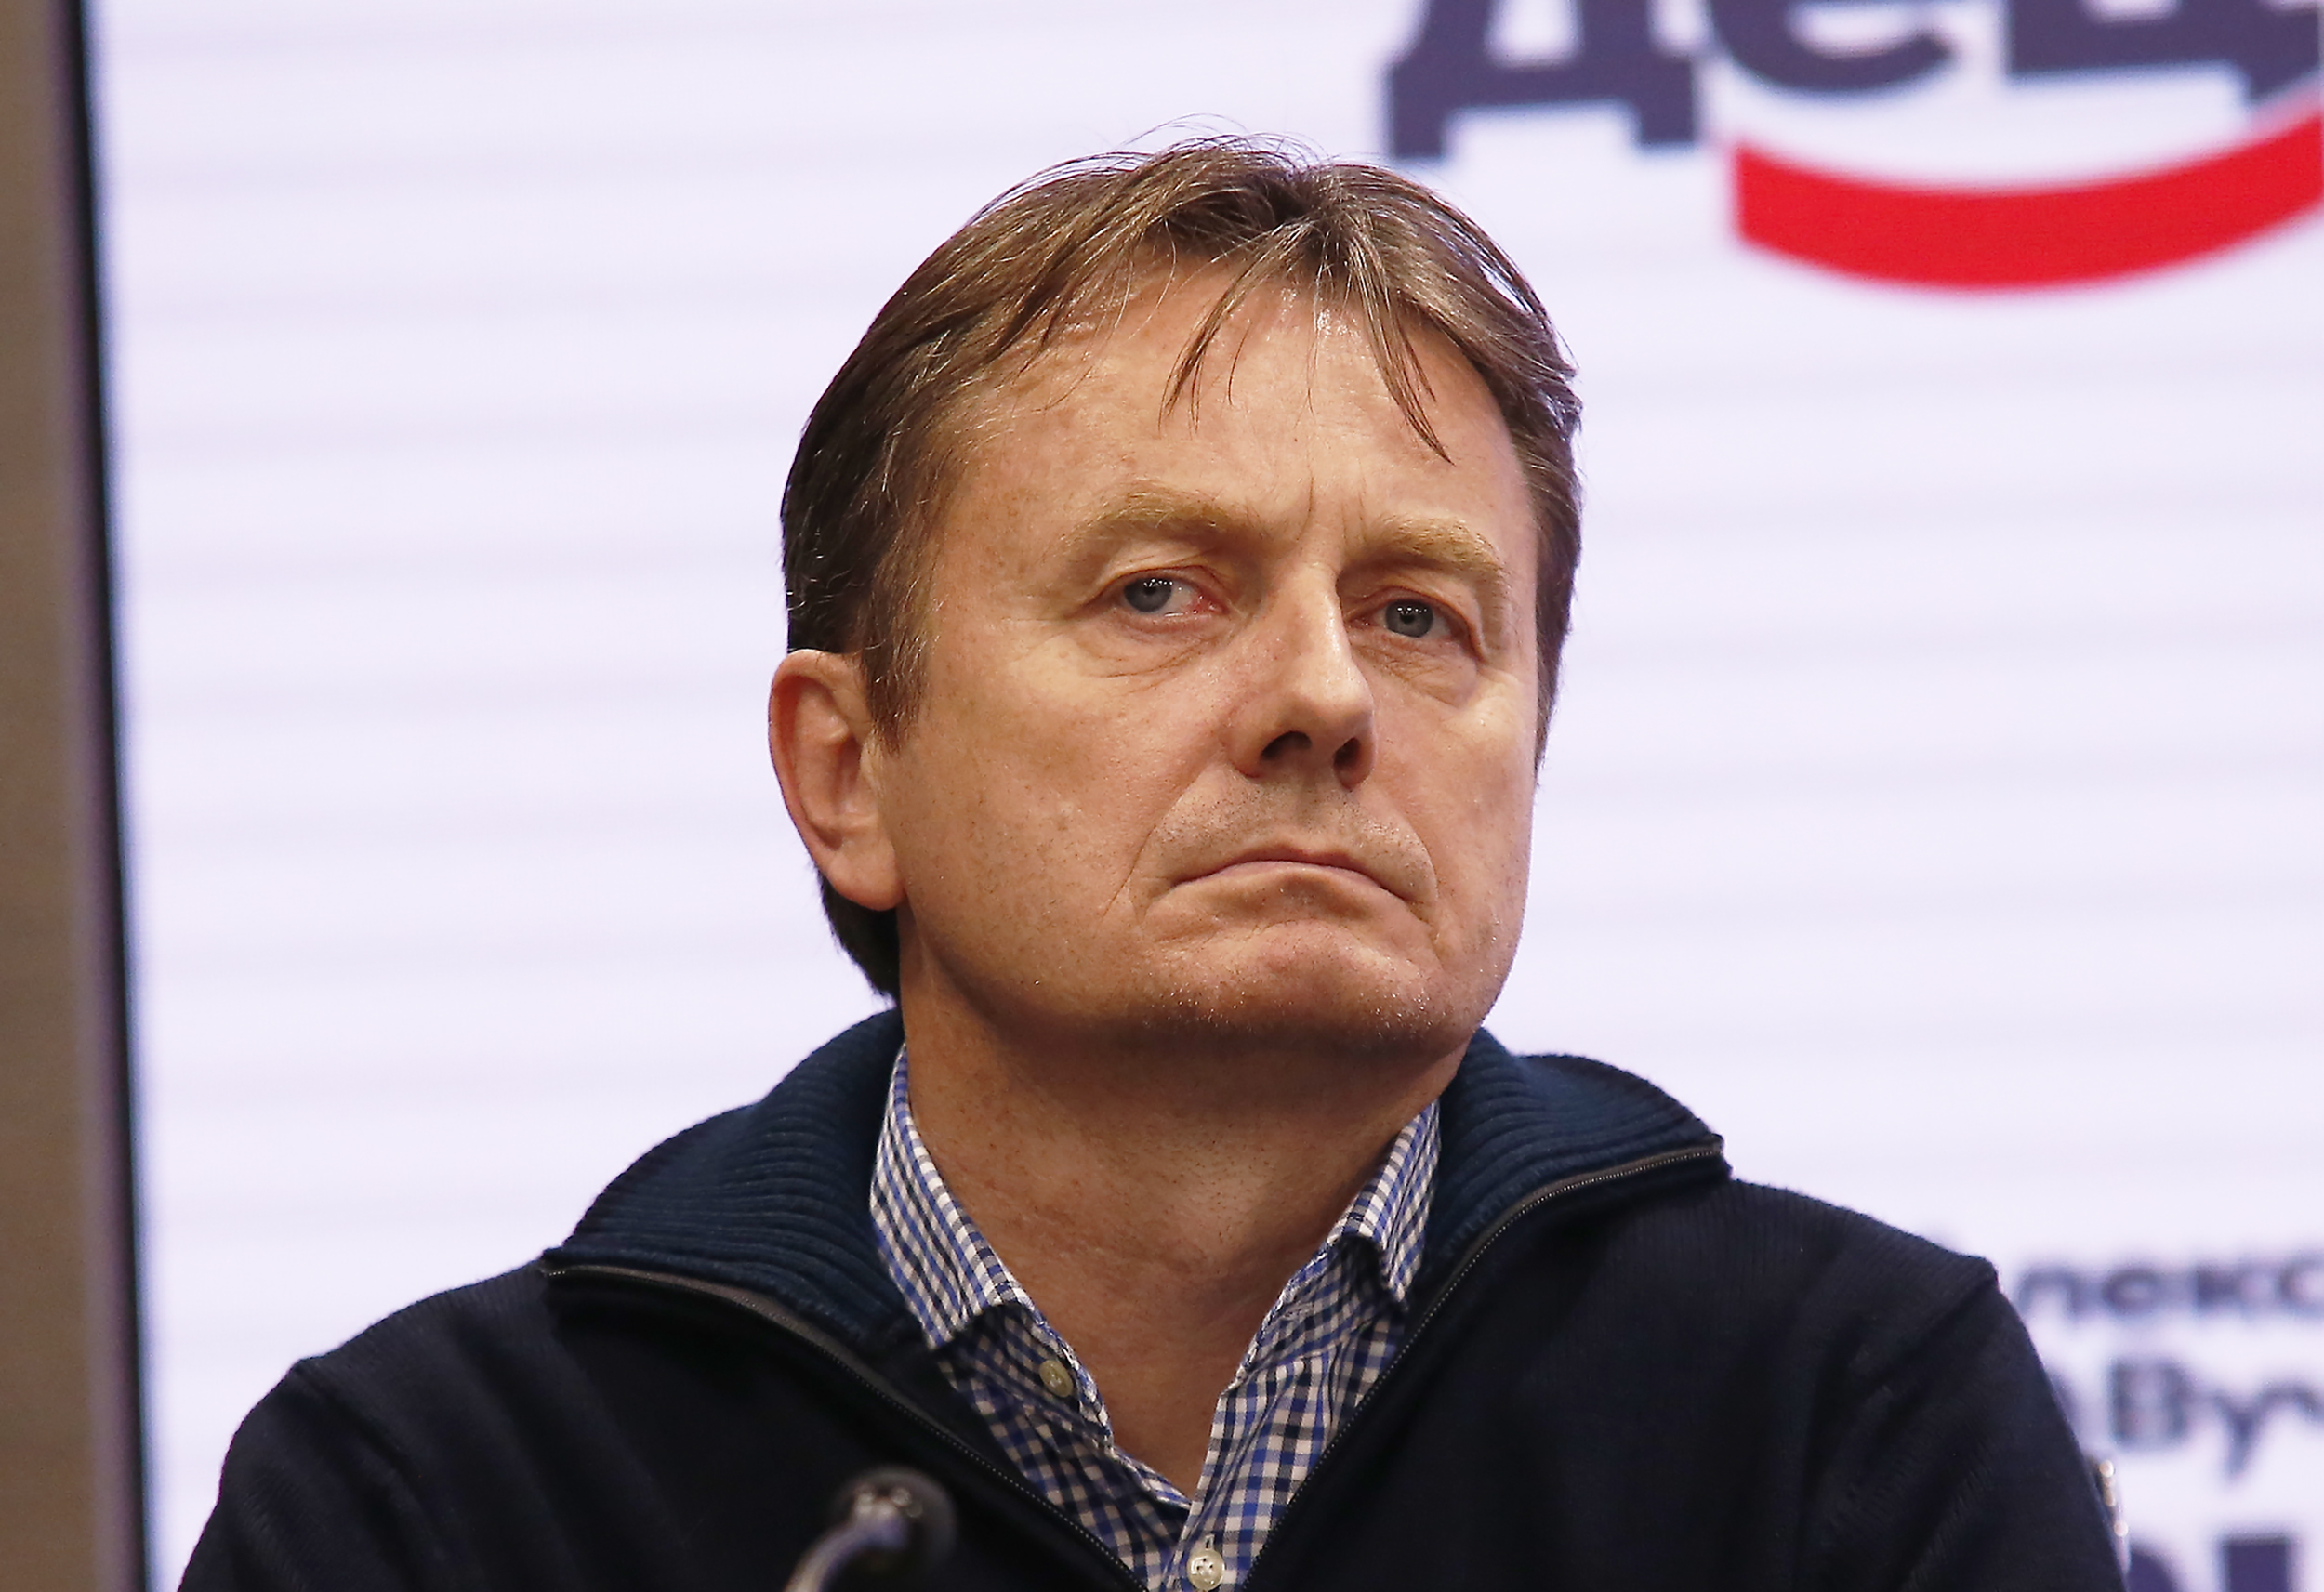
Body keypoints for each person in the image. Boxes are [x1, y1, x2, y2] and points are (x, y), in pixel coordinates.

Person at [183, 140, 2123, 1592]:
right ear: (847, 770)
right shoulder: (441, 1495)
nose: (1322, 697)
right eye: (1160, 591)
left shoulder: (1844, 1419)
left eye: (1419, 614)